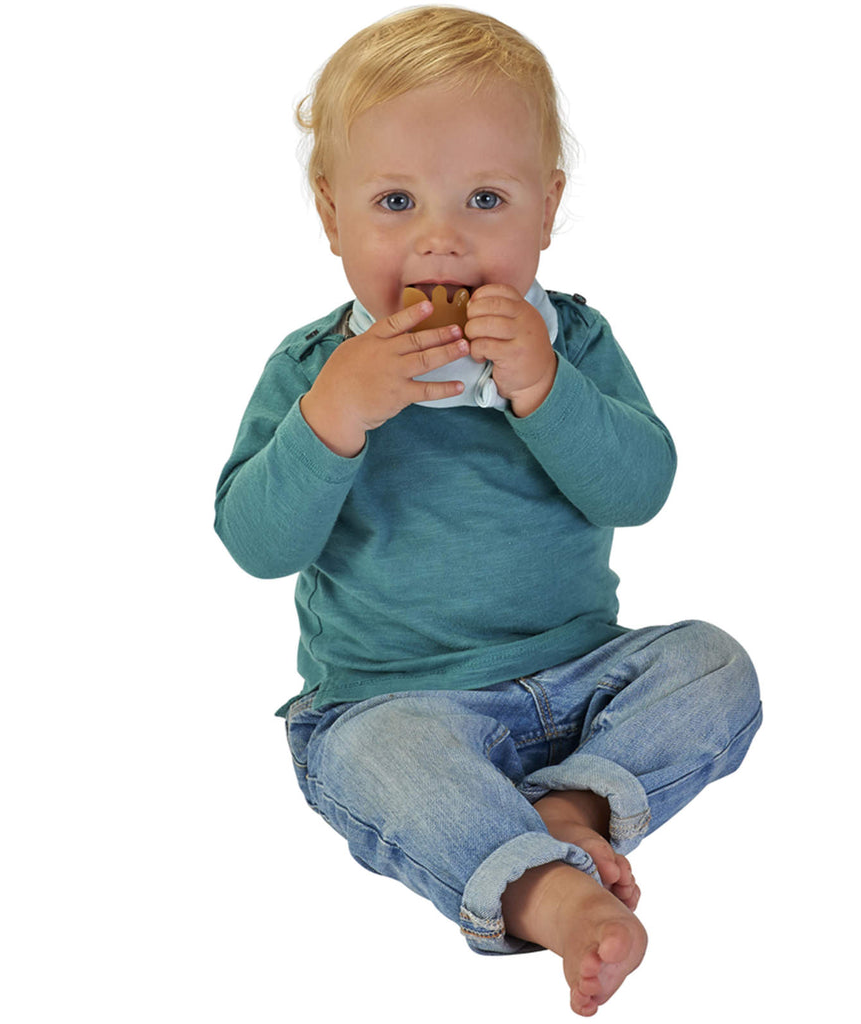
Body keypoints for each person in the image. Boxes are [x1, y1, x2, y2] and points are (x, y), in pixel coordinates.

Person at [214, 7, 761, 1016]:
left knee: (713, 663)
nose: (440, 237)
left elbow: (637, 492)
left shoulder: (574, 344)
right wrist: (332, 419)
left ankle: (572, 800)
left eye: (484, 198)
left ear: (546, 211)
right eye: (393, 200)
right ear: (330, 216)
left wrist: (546, 388)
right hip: (396, 699)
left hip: (582, 673)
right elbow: (256, 544)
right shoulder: (311, 372)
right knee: (378, 764)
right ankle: (548, 891)